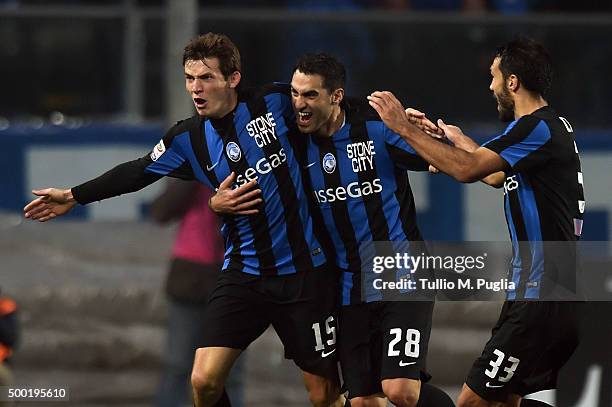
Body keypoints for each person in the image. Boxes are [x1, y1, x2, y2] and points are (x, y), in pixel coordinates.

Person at [23, 32, 345, 407]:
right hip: (244, 274)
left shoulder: (275, 102)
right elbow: (138, 171)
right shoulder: (186, 139)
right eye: (190, 78)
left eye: (206, 77)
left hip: (305, 274)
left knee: (324, 396)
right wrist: (74, 195)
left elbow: (332, 107)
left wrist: (400, 127)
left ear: (233, 78)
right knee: (203, 380)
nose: (196, 88)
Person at [368, 37, 584, 407]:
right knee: (503, 403)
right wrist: (454, 140)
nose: (490, 87)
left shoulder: (535, 128)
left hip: (540, 297)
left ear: (512, 83)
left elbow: (469, 171)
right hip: (540, 296)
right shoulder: (548, 128)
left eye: (494, 77)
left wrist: (403, 127)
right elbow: (495, 175)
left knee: (472, 403)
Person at [288, 53, 454, 407]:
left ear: (336, 96)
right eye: (295, 94)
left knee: (400, 390)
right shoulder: (294, 145)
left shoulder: (377, 128)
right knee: (363, 401)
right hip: (351, 286)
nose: (299, 105)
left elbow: (441, 158)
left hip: (404, 273)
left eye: (310, 95)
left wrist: (424, 132)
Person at [150, 180, 243, 407]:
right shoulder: (190, 165)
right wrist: (193, 171)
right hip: (190, 279)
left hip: (236, 277)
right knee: (178, 365)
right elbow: (161, 212)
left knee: (230, 371)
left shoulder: (249, 164)